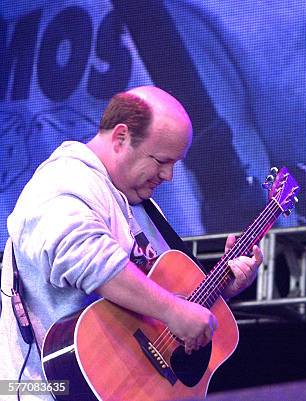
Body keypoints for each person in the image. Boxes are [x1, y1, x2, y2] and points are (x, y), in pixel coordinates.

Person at [0, 86, 263, 400]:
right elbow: (90, 260)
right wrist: (174, 310)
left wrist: (219, 290)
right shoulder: (62, 184)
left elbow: (155, 305)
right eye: (162, 161)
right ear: (121, 137)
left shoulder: (139, 204)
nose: (169, 176)